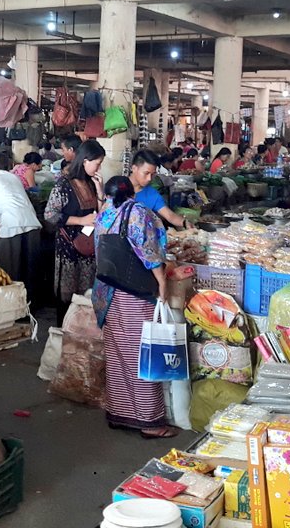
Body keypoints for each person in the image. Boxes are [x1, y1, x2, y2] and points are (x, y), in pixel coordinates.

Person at [91, 176, 176, 439]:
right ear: (131, 193)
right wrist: (162, 282)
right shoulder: (138, 213)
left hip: (106, 292)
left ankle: (119, 413)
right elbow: (149, 252)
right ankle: (150, 422)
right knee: (141, 354)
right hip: (133, 294)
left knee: (117, 355)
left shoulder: (104, 213)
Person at [45, 140, 106, 324]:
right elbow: (50, 215)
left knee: (86, 293)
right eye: (97, 163)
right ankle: (63, 332)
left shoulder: (91, 182)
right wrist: (81, 220)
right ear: (85, 161)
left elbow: (102, 214)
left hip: (88, 248)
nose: (99, 167)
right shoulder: (64, 185)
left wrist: (99, 190)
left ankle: (81, 332)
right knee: (67, 294)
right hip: (69, 249)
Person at [0, 153, 42, 295]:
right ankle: (32, 307)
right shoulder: (14, 178)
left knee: (11, 273)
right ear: (10, 166)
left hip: (11, 225)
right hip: (32, 223)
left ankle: (15, 307)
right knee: (31, 270)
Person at [129, 149, 193, 229]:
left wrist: (184, 223)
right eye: (146, 173)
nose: (149, 178)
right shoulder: (118, 187)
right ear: (134, 168)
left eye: (153, 174)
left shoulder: (152, 194)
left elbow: (170, 216)